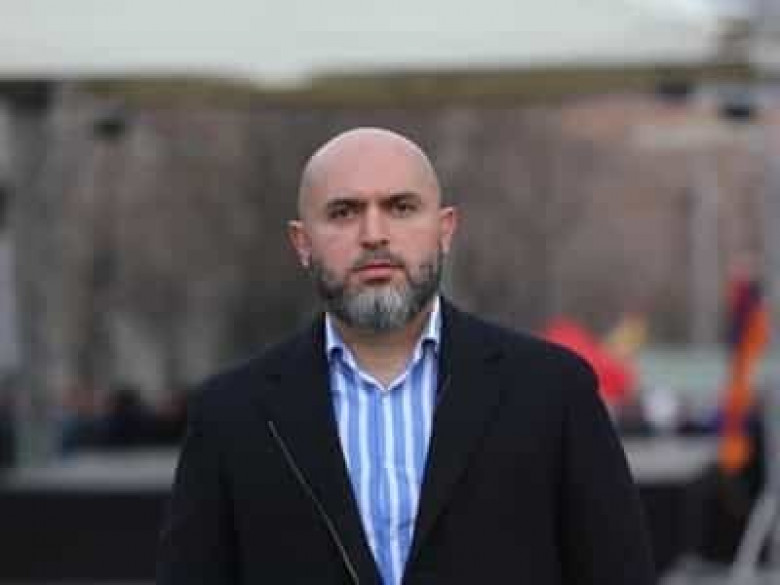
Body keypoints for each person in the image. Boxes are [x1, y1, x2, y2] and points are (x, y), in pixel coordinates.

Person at [157, 128, 654, 585]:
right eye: (343, 212)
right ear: (302, 242)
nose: (374, 234)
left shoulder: (551, 391)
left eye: (400, 207)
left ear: (445, 229)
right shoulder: (232, 413)